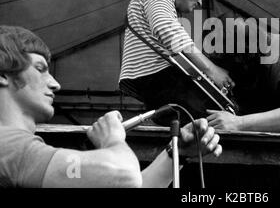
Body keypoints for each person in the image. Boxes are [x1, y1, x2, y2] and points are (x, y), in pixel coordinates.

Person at [0, 25, 222, 188]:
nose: (55, 83)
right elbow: (123, 176)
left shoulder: (21, 155)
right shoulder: (8, 147)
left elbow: (129, 184)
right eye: (40, 68)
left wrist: (177, 155)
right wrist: (112, 139)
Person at [119, 0, 234, 118]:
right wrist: (211, 70)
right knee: (211, 120)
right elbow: (165, 28)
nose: (200, 2)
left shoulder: (166, 5)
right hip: (158, 76)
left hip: (150, 79)